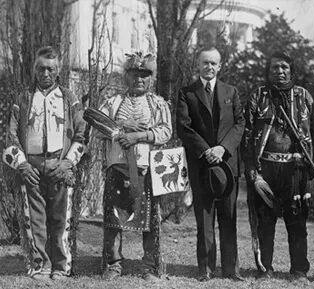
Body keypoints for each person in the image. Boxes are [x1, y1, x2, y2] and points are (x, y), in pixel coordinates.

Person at [2, 46, 86, 280]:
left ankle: (61, 267)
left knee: (61, 220)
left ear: (58, 70)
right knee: (35, 219)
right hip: (32, 169)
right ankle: (40, 265)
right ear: (34, 70)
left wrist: (68, 163)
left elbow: (82, 134)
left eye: (50, 69)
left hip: (60, 167)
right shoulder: (23, 99)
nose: (45, 73)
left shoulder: (69, 99)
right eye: (41, 68)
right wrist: (22, 165)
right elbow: (10, 136)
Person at [242, 50, 314, 283]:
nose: (279, 71)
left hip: (295, 169)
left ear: (291, 70)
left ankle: (299, 271)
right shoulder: (258, 96)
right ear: (268, 72)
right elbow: (247, 133)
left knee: (296, 221)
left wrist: (311, 161)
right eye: (274, 67)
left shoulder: (304, 96)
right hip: (265, 168)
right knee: (264, 222)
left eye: (284, 67)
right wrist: (250, 165)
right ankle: (265, 269)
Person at [93, 52, 172, 281]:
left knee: (149, 221)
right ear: (126, 77)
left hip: (146, 170)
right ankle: (113, 264)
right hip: (117, 168)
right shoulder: (112, 102)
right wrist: (120, 126)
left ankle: (149, 266)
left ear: (151, 78)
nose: (139, 79)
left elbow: (166, 132)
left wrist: (138, 136)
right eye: (134, 75)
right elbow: (97, 129)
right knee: (113, 219)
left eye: (144, 75)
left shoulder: (157, 103)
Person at [176, 47, 245, 282]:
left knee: (228, 217)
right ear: (198, 64)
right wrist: (207, 151)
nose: (209, 67)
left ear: (220, 66)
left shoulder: (231, 92)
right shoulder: (187, 93)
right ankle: (205, 268)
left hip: (227, 165)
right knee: (204, 218)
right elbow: (184, 127)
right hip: (201, 165)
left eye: (214, 63)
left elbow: (240, 124)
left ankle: (231, 269)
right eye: (205, 62)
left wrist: (222, 149)